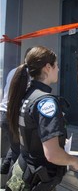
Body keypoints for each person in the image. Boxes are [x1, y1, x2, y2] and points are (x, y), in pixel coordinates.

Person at [5, 46, 78, 190]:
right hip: (37, 179)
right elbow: (52, 155)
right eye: (56, 65)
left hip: (24, 171)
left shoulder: (27, 95)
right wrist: (74, 161)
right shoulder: (46, 102)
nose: (58, 69)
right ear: (47, 67)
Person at [0, 48, 32, 176]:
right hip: (11, 116)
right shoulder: (28, 74)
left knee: (15, 147)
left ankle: (4, 168)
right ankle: (11, 184)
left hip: (3, 113)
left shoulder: (15, 70)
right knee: (18, 153)